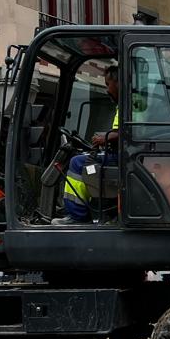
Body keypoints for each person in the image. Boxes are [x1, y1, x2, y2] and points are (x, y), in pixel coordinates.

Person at [61, 66, 119, 222]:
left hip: (123, 158)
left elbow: (131, 132)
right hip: (121, 155)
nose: (107, 90)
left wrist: (106, 138)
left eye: (108, 84)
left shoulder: (133, 104)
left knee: (77, 163)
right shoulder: (125, 104)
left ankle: (77, 216)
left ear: (118, 82)